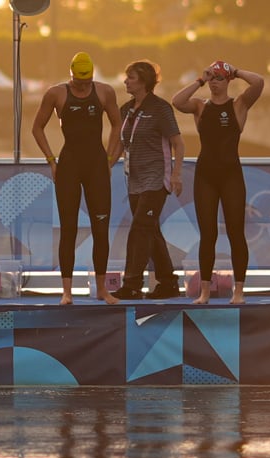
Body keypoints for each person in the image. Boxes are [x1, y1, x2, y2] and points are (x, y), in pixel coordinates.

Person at [32, 51, 122, 305]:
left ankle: (103, 290)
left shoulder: (105, 92)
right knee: (68, 229)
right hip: (69, 165)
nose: (83, 87)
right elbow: (36, 127)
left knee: (101, 229)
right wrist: (51, 160)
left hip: (96, 165)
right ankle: (67, 292)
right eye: (79, 83)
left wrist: (109, 158)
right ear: (71, 76)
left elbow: (118, 124)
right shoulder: (56, 94)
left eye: (87, 82)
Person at [171, 59, 265, 305]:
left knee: (236, 233)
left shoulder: (239, 106)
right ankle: (204, 292)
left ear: (227, 81)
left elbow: (259, 83)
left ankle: (238, 292)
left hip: (231, 175)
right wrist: (199, 80)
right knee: (208, 234)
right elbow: (177, 102)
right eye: (211, 78)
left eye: (218, 78)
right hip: (206, 176)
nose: (214, 83)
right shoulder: (200, 107)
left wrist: (237, 71)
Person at [114, 59, 185, 301]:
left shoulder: (160, 108)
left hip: (156, 178)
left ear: (143, 82)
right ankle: (168, 283)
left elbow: (178, 143)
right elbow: (121, 144)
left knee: (139, 229)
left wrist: (176, 175)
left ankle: (132, 284)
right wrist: (103, 168)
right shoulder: (125, 110)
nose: (125, 81)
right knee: (151, 231)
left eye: (131, 78)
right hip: (134, 179)